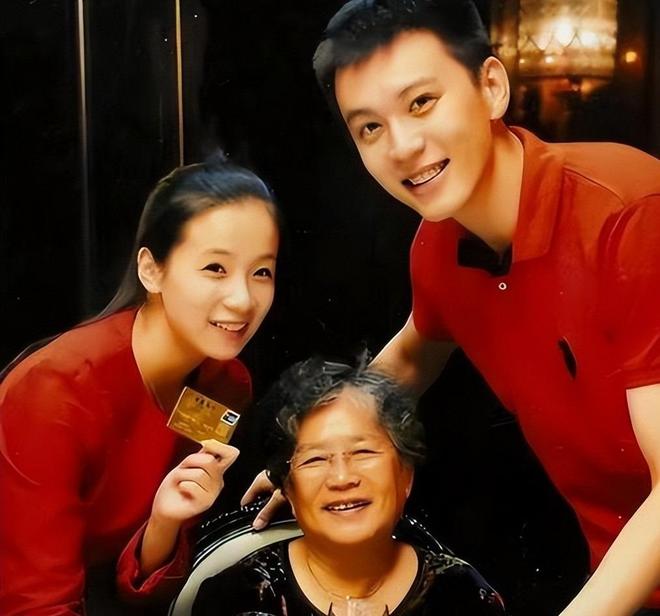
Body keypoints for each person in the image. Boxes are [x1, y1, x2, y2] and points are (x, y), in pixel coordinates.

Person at [245, 1, 660, 614]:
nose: (403, 146)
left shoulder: (631, 214)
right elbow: (413, 354)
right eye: (370, 128)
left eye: (421, 102)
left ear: (491, 87)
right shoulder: (440, 247)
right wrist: (312, 456)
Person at [0, 156, 280, 615]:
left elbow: (151, 568)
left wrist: (165, 523)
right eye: (215, 268)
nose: (242, 299)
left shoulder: (225, 384)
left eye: (262, 272)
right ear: (151, 269)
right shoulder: (55, 390)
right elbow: (33, 601)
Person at [186, 357, 505, 615]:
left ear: (405, 476)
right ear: (288, 491)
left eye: (363, 452)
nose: (341, 478)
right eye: (315, 459)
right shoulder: (240, 596)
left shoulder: (461, 594)